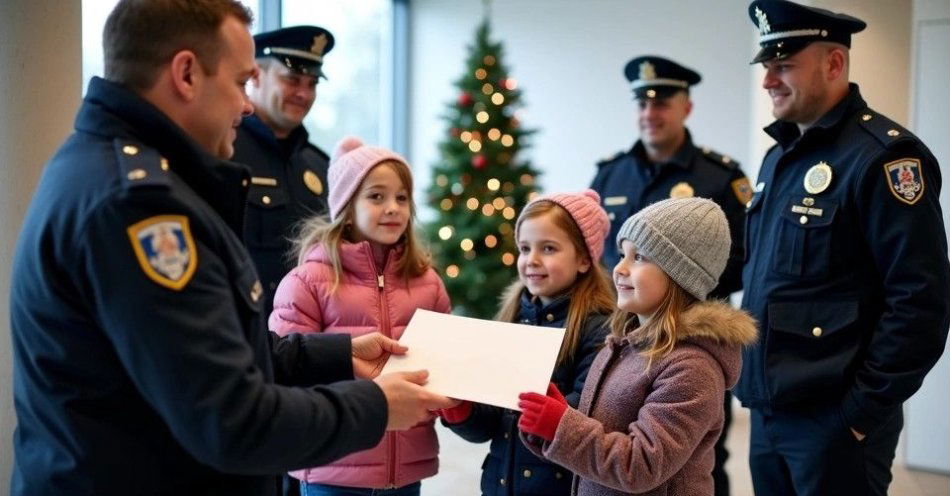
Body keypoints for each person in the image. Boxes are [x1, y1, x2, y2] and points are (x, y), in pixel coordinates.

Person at [8, 2, 454, 495]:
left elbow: (212, 352)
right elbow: (233, 419)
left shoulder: (102, 165)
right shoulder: (138, 205)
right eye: (242, 82)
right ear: (186, 74)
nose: (246, 105)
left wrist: (339, 352)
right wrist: (376, 406)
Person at [736, 1, 950, 495]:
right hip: (769, 410)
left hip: (834, 420)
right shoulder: (778, 158)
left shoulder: (884, 157)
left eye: (783, 65)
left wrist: (860, 413)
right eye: (766, 66)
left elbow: (920, 301)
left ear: (834, 63)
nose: (768, 80)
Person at [518, 198, 757, 496]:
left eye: (639, 257)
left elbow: (641, 466)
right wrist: (554, 422)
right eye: (622, 254)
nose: (619, 268)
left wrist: (561, 426)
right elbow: (600, 439)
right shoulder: (621, 345)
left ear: (680, 274)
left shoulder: (692, 369)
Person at [589, 55, 748, 495]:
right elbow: (597, 254)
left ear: (686, 108)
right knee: (609, 432)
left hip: (684, 332)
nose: (649, 113)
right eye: (642, 103)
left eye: (661, 103)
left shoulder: (720, 176)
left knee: (693, 457)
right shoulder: (611, 173)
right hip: (623, 332)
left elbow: (742, 259)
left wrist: (672, 288)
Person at [268, 136, 452, 496]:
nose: (393, 208)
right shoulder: (306, 282)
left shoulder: (428, 282)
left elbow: (444, 363)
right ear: (347, 208)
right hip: (332, 470)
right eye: (376, 196)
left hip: (405, 472)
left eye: (402, 198)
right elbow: (289, 376)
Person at [438, 190, 614, 496]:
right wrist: (461, 410)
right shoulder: (513, 319)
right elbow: (491, 424)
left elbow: (591, 418)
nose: (531, 260)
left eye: (548, 248)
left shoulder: (598, 328)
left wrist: (553, 416)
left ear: (584, 259)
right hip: (498, 486)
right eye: (524, 248)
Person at [232, 25, 334, 319]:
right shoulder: (226, 151)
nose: (304, 93)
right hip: (247, 328)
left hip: (311, 336)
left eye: (312, 84)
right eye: (292, 79)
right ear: (256, 76)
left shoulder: (320, 165)